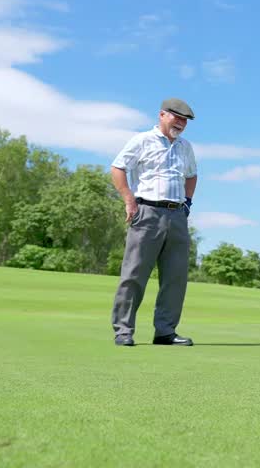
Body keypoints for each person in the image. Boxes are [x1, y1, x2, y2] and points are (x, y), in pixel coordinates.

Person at [109, 98, 199, 347]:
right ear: (162, 115)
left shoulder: (185, 147)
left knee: (175, 277)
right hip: (147, 211)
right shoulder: (141, 140)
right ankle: (123, 330)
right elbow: (118, 168)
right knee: (134, 273)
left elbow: (191, 175)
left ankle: (165, 332)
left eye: (184, 120)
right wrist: (129, 200)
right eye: (176, 117)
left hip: (177, 214)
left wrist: (187, 203)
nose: (180, 123)